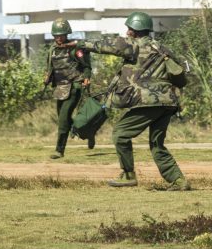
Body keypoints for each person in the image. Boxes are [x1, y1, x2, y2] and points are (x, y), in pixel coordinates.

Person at [69, 11, 191, 190]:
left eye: (129, 29)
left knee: (120, 133)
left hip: (149, 101)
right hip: (169, 103)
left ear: (136, 30)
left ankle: (128, 174)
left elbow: (108, 45)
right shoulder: (163, 49)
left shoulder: (134, 45)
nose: (127, 32)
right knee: (157, 144)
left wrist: (81, 44)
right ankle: (179, 181)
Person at [45, 18, 93, 159]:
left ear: (67, 34)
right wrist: (47, 77)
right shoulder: (52, 49)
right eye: (56, 35)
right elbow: (49, 67)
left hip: (74, 86)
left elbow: (86, 66)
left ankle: (59, 150)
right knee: (63, 118)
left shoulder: (75, 48)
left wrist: (86, 77)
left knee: (63, 120)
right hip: (60, 88)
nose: (59, 38)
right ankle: (88, 132)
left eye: (61, 35)